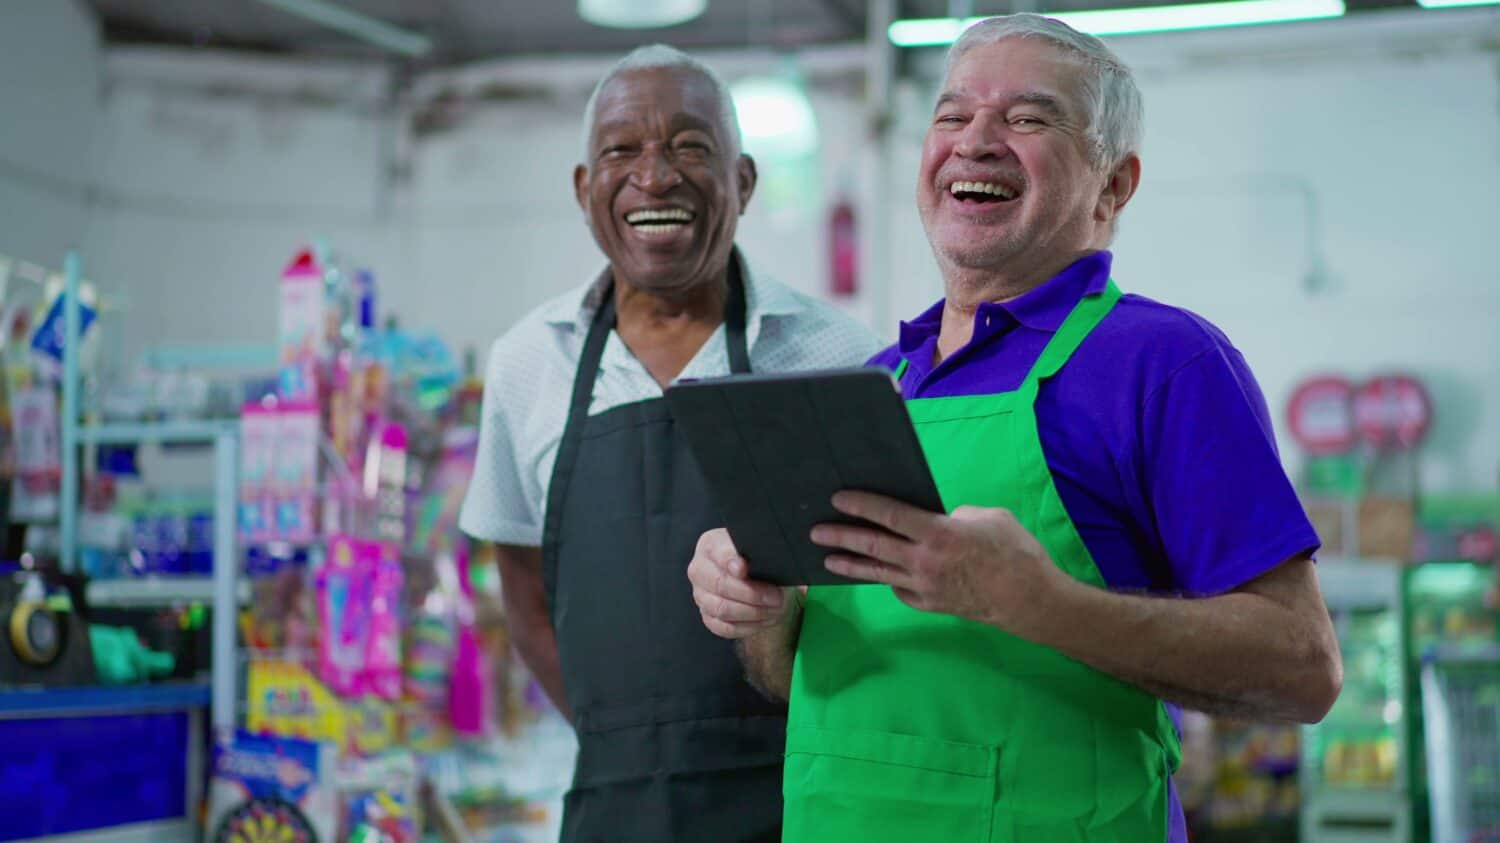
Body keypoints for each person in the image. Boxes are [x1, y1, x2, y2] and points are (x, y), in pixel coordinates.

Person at [688, 14, 1342, 842]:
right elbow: (806, 676)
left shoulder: (1164, 362)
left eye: (1028, 119)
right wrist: (762, 608)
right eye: (952, 115)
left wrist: (1042, 603)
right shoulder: (871, 386)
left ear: (1113, 185)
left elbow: (1303, 667)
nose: (976, 141)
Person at [458, 44, 880, 843]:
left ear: (743, 181)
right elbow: (524, 586)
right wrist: (617, 735)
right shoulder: (525, 365)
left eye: (690, 146)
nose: (655, 176)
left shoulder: (835, 356)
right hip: (609, 809)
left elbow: (872, 597)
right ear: (586, 190)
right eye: (622, 150)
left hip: (803, 803)